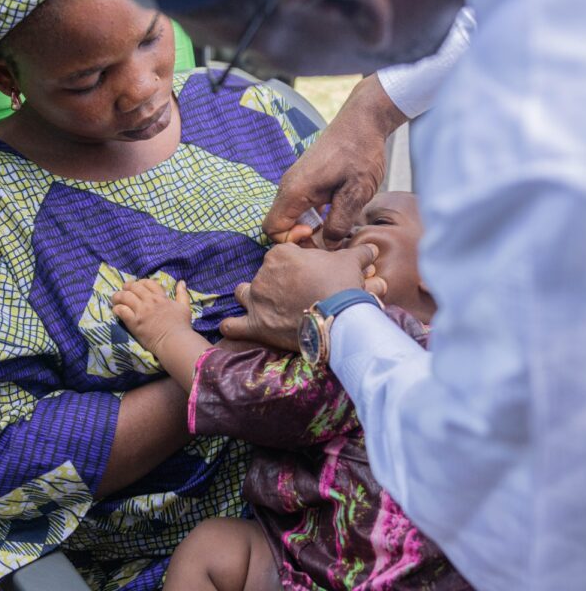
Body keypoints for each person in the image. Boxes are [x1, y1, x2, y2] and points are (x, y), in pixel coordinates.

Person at [80, 0, 586, 590]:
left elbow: (496, 483)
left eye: (247, 53)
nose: (344, 232)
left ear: (343, 0)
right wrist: (373, 109)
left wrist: (337, 318)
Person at [0, 0, 328, 588]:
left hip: (351, 506)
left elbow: (377, 269)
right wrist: (228, 371)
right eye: (88, 79)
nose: (143, 88)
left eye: (152, 37)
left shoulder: (249, 108)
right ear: (1, 73)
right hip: (178, 563)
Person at [114, 192, 470, 591]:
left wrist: (167, 334)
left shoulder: (393, 340)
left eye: (379, 222)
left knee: (211, 549)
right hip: (316, 565)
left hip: (365, 575)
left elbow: (252, 397)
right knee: (220, 551)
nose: (349, 232)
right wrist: (310, 268)